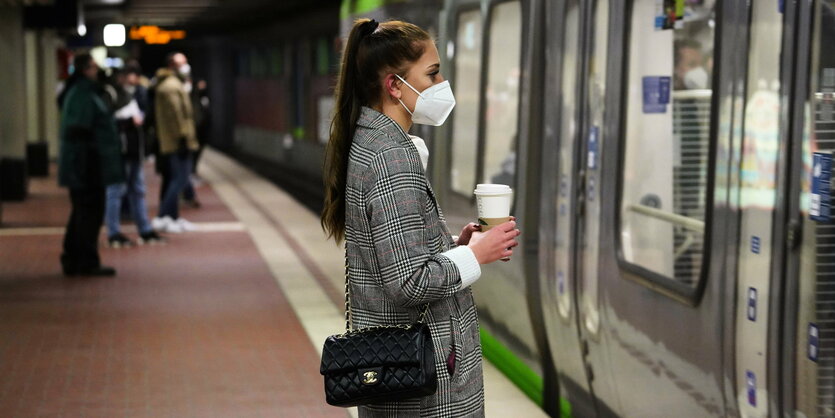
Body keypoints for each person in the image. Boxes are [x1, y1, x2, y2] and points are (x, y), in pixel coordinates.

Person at [320, 19, 520, 417]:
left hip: (398, 370)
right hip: (427, 387)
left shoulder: (368, 140)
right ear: (395, 85)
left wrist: (455, 248)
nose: (442, 82)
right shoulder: (392, 157)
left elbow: (397, 255)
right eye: (432, 73)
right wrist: (476, 256)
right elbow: (408, 283)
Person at [57, 54, 124, 277]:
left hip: (84, 164)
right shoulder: (83, 93)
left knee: (81, 212)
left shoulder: (80, 91)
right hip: (87, 165)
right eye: (94, 67)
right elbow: (80, 129)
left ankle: (74, 258)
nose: (98, 71)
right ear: (86, 69)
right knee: (89, 213)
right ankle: (86, 261)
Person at [104, 69, 165, 247]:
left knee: (137, 189)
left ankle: (144, 229)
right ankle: (113, 233)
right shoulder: (110, 94)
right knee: (116, 190)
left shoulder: (128, 94)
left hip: (133, 150)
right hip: (120, 151)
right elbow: (105, 123)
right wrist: (129, 122)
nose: (133, 79)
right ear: (119, 77)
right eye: (128, 75)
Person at [151, 52, 199, 233]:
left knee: (175, 179)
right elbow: (177, 117)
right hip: (178, 142)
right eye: (182, 63)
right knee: (180, 178)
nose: (186, 66)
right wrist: (185, 137)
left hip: (175, 141)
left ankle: (172, 217)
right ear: (172, 66)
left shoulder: (174, 84)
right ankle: (163, 215)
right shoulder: (171, 87)